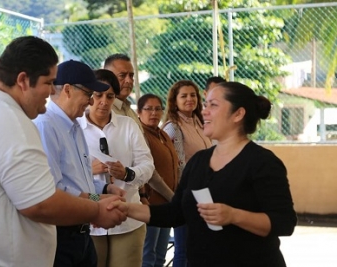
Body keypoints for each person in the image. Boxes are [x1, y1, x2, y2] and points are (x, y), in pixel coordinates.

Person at [0, 36, 127, 266]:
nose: (50, 93)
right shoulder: (8, 120)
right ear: (23, 80)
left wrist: (99, 197)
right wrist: (96, 210)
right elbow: (40, 202)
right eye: (48, 83)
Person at [111, 81, 297, 267]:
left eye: (213, 105)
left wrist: (233, 215)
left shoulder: (263, 163)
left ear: (238, 114)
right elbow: (175, 213)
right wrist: (127, 209)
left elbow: (284, 222)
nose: (204, 111)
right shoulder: (199, 162)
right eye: (206, 104)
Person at [33, 60, 126, 267]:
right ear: (67, 90)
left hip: (81, 234)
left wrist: (106, 189)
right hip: (61, 236)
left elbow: (80, 182)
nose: (91, 102)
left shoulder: (74, 126)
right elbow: (54, 189)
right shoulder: (46, 127)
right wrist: (96, 203)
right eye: (88, 94)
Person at [78, 69, 155, 267]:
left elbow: (147, 164)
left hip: (127, 217)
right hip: (91, 218)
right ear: (89, 95)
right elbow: (63, 176)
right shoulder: (74, 126)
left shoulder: (128, 125)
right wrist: (90, 170)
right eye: (98, 95)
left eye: (110, 96)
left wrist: (128, 173)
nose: (104, 101)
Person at [103, 53, 172, 205]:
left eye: (131, 75)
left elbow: (143, 160)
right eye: (122, 75)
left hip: (137, 199)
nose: (128, 80)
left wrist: (143, 195)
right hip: (110, 202)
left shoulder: (130, 112)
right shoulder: (101, 115)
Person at [162, 79, 212, 267]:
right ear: (174, 101)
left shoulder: (200, 122)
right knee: (183, 250)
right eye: (184, 96)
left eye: (193, 95)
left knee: (200, 248)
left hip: (205, 192)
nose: (189, 99)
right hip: (187, 195)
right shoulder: (173, 127)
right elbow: (178, 165)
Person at [137, 94, 179, 267]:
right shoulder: (141, 134)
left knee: (161, 254)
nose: (154, 113)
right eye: (148, 109)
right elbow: (151, 172)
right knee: (149, 255)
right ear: (139, 112)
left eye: (158, 109)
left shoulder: (162, 133)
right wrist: (173, 197)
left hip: (166, 204)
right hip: (151, 203)